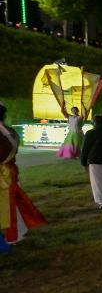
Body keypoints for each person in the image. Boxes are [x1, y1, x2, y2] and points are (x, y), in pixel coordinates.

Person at [0, 102, 47, 252]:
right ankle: (18, 233)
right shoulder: (10, 131)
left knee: (8, 207)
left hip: (4, 176)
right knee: (15, 204)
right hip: (10, 172)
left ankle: (11, 236)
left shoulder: (4, 134)